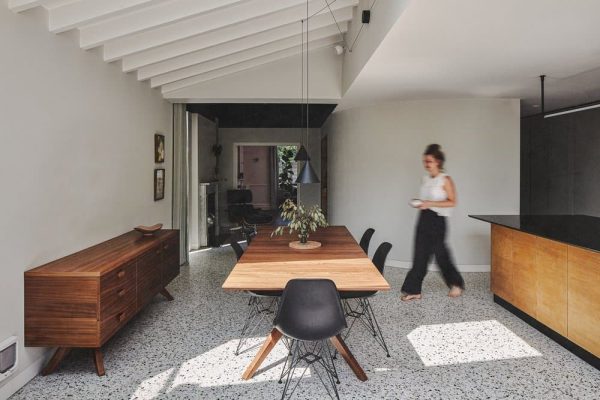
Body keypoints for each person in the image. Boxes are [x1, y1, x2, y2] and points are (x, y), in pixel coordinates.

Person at [401, 144, 464, 301]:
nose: (426, 164)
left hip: (438, 221)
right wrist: (421, 203)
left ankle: (456, 283)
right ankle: (414, 290)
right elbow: (425, 200)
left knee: (440, 254)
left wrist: (430, 203)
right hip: (424, 218)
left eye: (428, 161)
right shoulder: (425, 179)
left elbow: (452, 202)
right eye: (424, 161)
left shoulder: (445, 180)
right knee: (420, 254)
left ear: (437, 161)